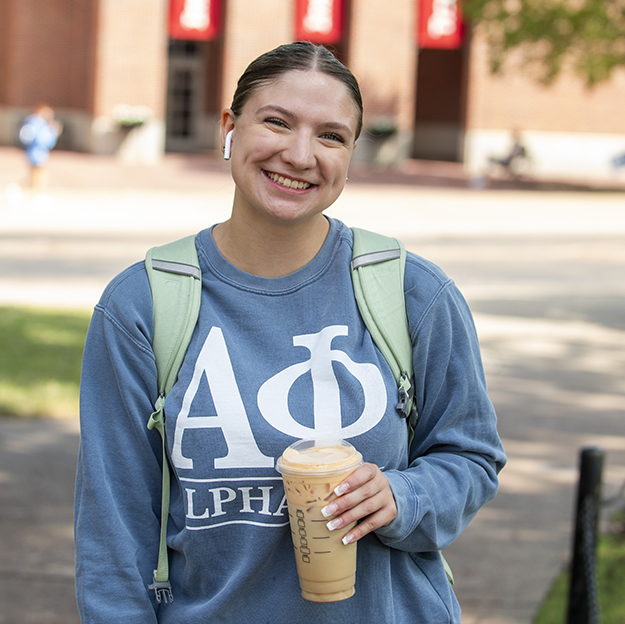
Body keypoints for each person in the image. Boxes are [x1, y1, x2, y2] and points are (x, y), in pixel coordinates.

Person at [75, 42, 506, 623]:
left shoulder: (413, 294)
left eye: (331, 136)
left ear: (352, 154)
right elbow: (112, 529)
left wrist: (403, 496)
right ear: (230, 127)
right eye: (277, 122)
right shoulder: (142, 306)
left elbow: (471, 456)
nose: (300, 155)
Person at [18, 104, 62, 193]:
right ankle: (34, 192)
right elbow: (44, 140)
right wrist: (53, 133)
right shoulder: (38, 124)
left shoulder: (32, 122)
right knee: (38, 175)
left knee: (35, 174)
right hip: (37, 153)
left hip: (33, 152)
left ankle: (28, 190)